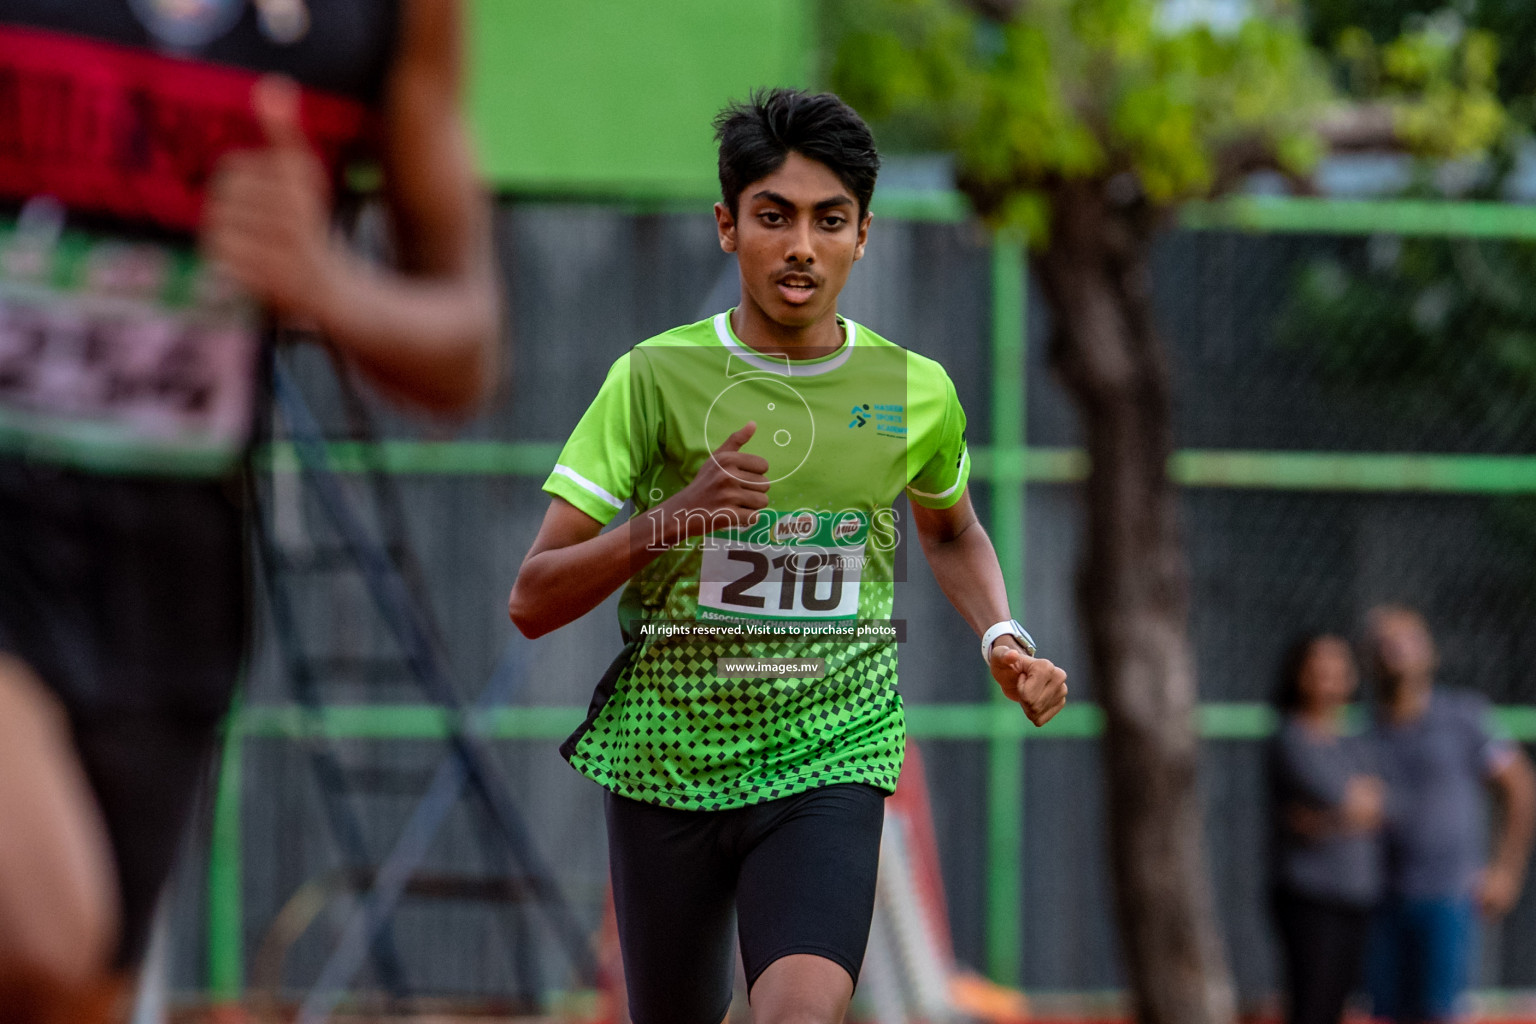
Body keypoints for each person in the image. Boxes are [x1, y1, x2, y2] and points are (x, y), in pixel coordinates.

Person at [507, 87, 1068, 1024]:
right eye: (774, 217)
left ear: (862, 235)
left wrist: (1001, 633)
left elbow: (953, 528)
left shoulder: (911, 390)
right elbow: (532, 598)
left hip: (830, 751)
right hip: (666, 759)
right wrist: (677, 518)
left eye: (828, 220)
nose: (800, 245)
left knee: (799, 1012)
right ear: (728, 227)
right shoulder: (653, 380)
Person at [0, 2, 499, 1021]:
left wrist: (326, 283)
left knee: (74, 991)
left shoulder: (399, 19)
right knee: (47, 935)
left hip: (167, 577)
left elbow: (468, 342)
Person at [1364, 605, 1536, 1024]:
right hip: (1381, 898)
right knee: (1387, 1012)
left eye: (1407, 639)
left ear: (1430, 652)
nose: (1395, 650)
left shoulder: (1465, 716)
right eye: (1384, 642)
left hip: (1448, 896)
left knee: (1440, 1013)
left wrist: (1506, 871)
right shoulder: (1365, 731)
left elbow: (1520, 787)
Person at [1267, 633, 1383, 1024]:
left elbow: (1379, 803)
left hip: (1357, 894)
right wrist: (1347, 812)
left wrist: (1333, 818)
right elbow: (1347, 800)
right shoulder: (1292, 738)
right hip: (1311, 897)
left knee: (1338, 1005)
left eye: (1338, 666)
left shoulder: (1358, 739)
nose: (1329, 675)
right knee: (1313, 1005)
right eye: (1318, 666)